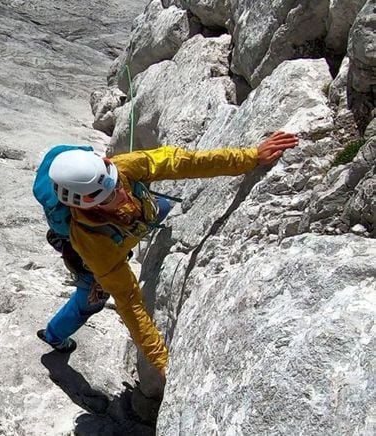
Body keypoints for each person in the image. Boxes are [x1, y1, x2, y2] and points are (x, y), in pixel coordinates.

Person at [36, 131, 299, 379]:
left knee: (159, 206)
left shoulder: (124, 168)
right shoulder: (92, 240)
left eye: (117, 185)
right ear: (81, 204)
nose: (121, 195)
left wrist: (250, 157)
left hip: (126, 227)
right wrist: (161, 360)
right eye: (107, 198)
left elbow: (182, 162)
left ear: (109, 164)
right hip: (90, 254)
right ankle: (54, 335)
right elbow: (129, 300)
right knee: (92, 296)